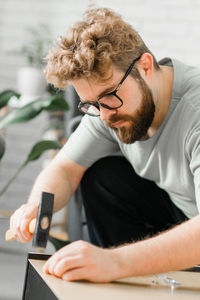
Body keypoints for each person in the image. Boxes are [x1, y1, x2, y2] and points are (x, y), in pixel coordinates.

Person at [9, 7, 200, 283]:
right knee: (103, 176)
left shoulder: (195, 111)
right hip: (180, 210)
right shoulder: (106, 109)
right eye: (92, 104)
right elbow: (64, 169)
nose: (105, 115)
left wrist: (115, 261)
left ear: (145, 66)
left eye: (109, 96)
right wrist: (39, 205)